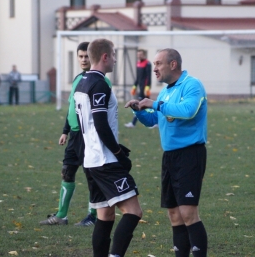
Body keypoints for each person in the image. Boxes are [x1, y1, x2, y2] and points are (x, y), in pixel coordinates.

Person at [125, 48, 208, 257]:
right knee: (174, 214)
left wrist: (156, 104)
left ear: (173, 64)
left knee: (188, 213)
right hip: (169, 157)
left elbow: (188, 111)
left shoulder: (192, 85)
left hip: (190, 155)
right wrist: (139, 110)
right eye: (154, 64)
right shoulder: (165, 91)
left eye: (158, 64)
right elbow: (154, 119)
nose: (154, 69)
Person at [74, 38, 142, 257]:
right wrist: (119, 153)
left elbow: (91, 126)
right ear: (104, 57)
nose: (114, 59)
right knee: (133, 212)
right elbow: (101, 125)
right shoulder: (99, 83)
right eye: (113, 55)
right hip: (105, 160)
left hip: (91, 160)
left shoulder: (82, 82)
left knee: (105, 215)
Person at [39, 42, 112, 226]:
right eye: (80, 56)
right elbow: (73, 107)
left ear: (92, 57)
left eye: (86, 56)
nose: (83, 59)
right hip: (74, 135)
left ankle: (93, 217)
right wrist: (65, 130)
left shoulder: (101, 80)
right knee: (67, 171)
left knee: (92, 175)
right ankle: (61, 215)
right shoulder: (78, 79)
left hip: (89, 136)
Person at [124, 49, 152, 128]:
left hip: (144, 89)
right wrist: (134, 86)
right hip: (140, 88)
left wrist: (147, 87)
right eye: (138, 54)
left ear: (144, 55)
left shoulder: (148, 63)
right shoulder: (138, 63)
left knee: (139, 104)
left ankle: (133, 123)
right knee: (147, 105)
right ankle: (155, 122)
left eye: (141, 54)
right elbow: (138, 77)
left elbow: (148, 76)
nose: (139, 56)